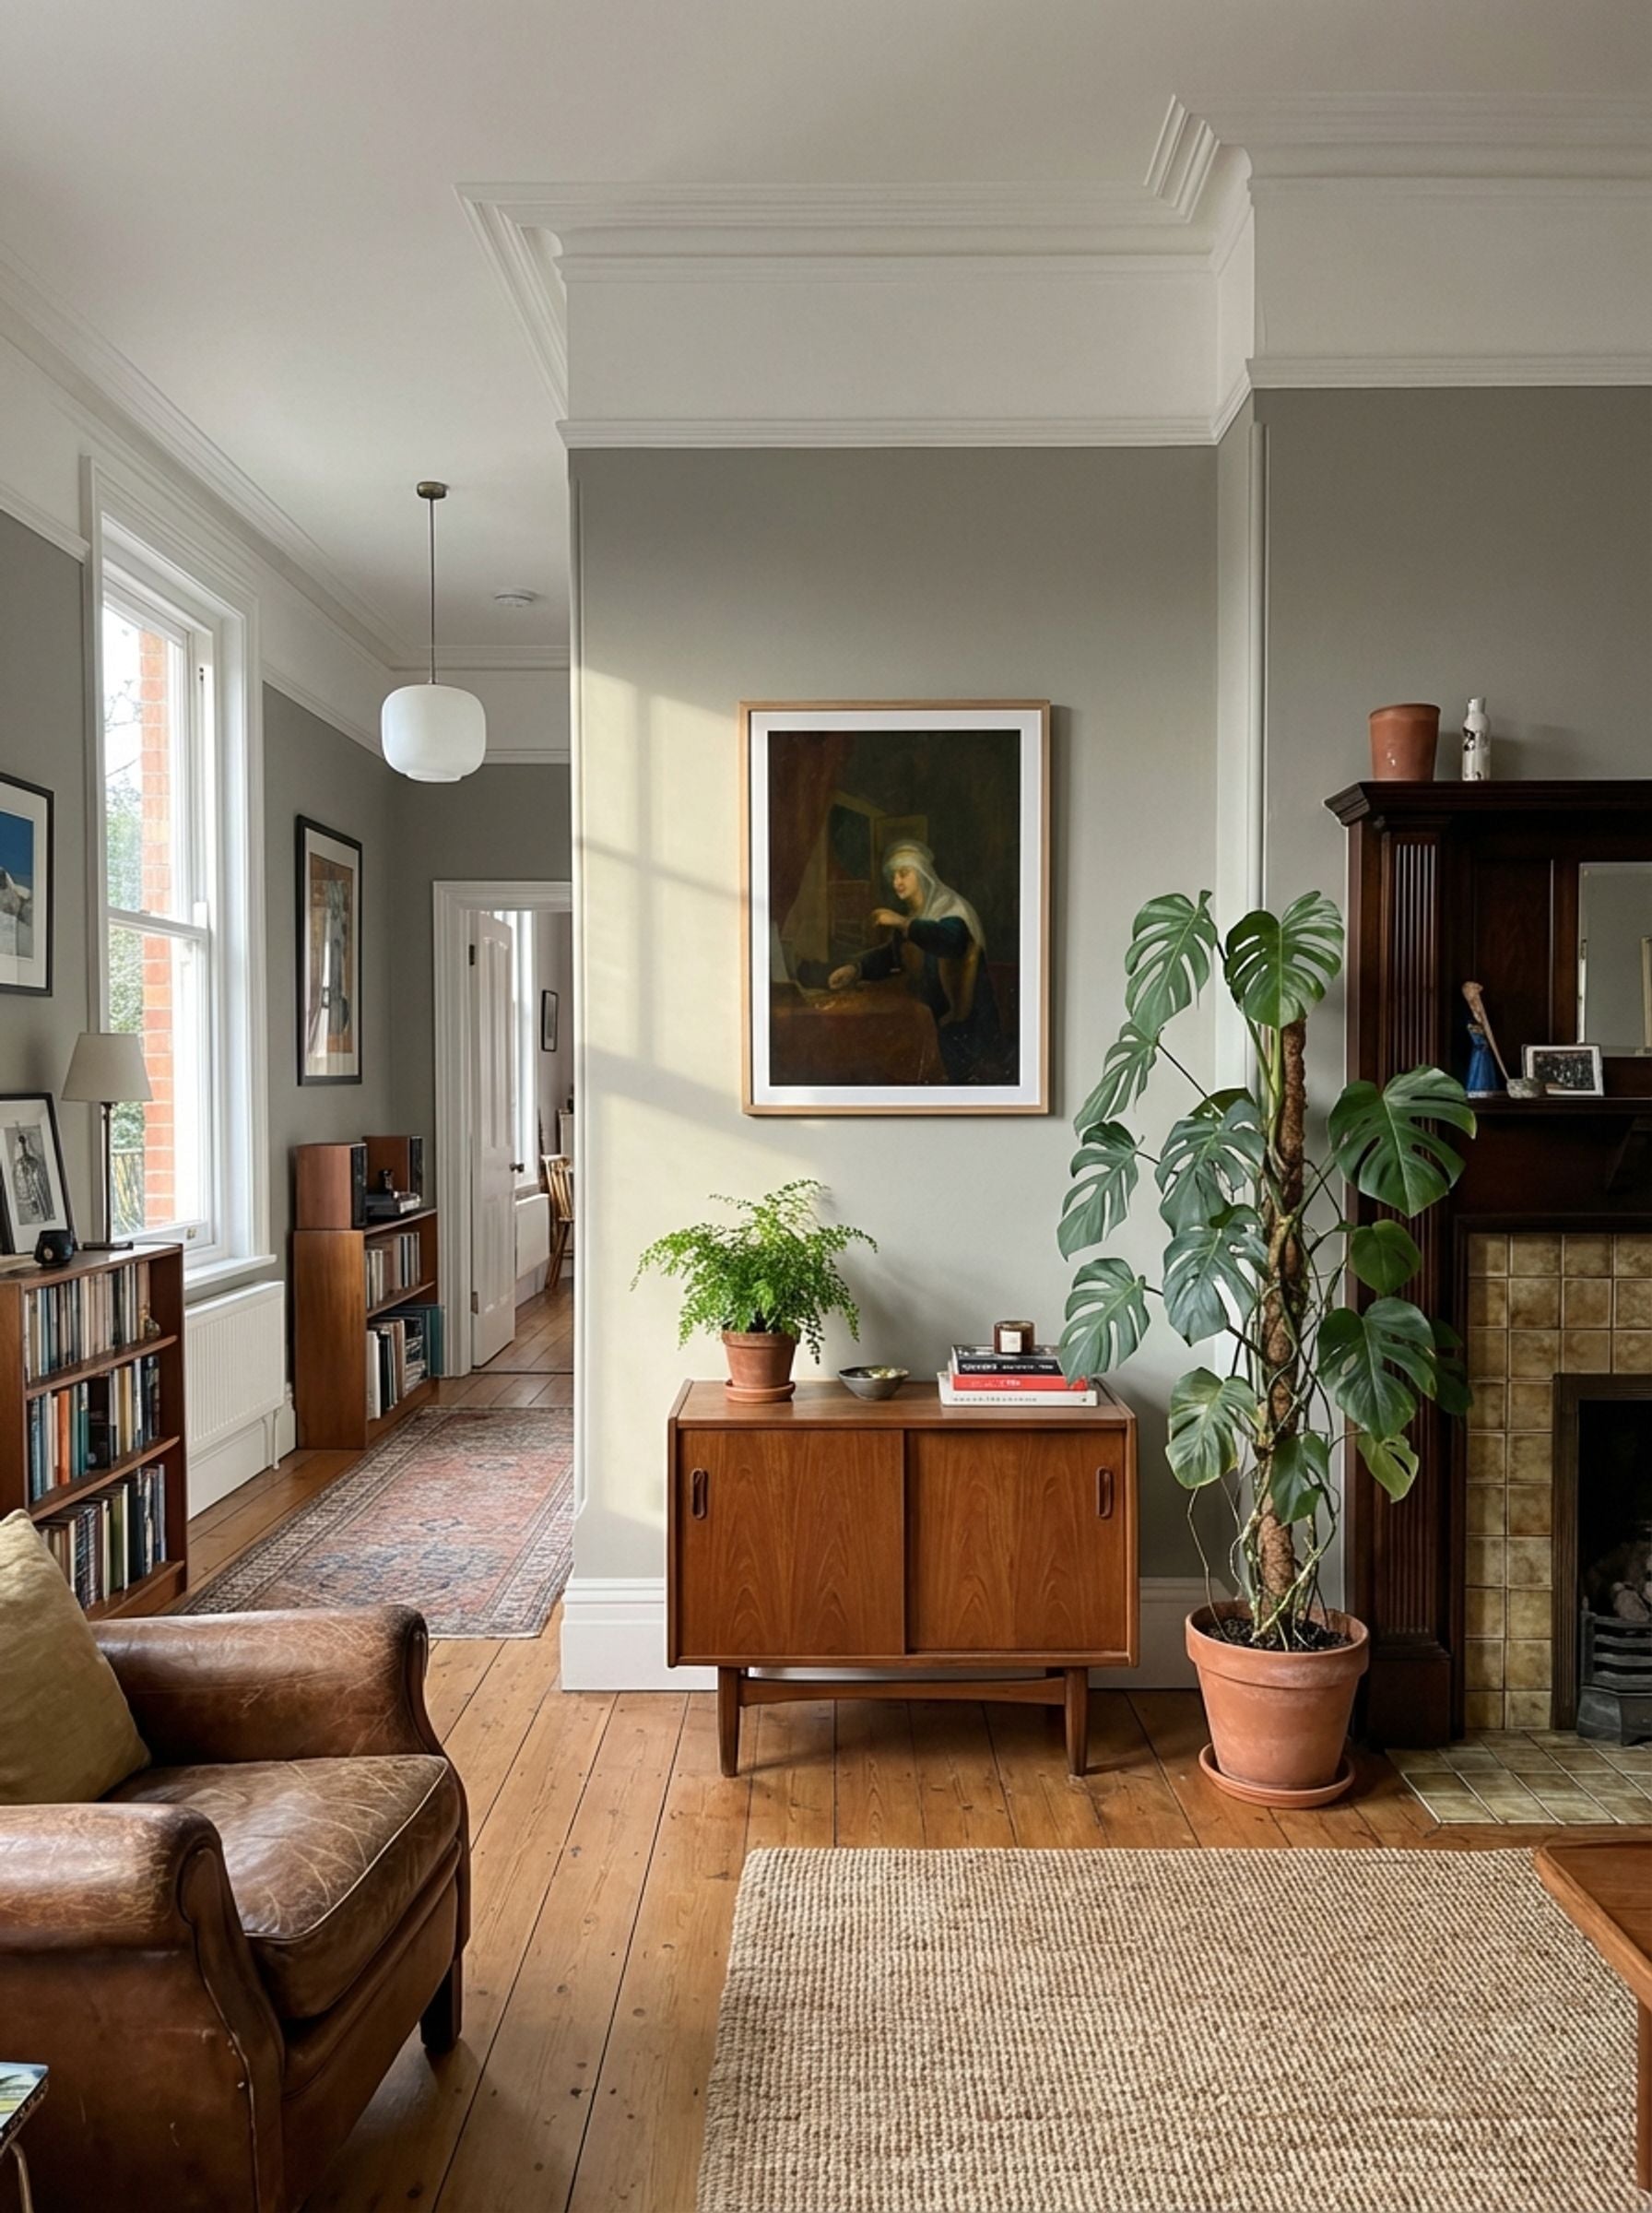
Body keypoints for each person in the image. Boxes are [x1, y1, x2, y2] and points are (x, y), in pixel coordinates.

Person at [829, 839, 1010, 1083]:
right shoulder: (915, 917)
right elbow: (891, 955)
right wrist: (856, 969)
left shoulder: (951, 908)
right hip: (927, 1020)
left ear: (923, 874)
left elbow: (950, 940)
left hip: (963, 1030)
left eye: (904, 874)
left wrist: (902, 923)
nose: (896, 882)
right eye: (893, 876)